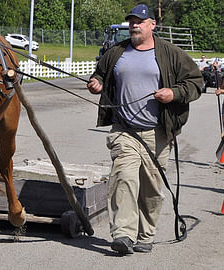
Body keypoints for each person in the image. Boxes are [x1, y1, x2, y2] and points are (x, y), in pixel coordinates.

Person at [87, 4, 202, 254]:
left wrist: (174, 93)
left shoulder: (170, 53)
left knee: (151, 190)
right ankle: (123, 235)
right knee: (124, 178)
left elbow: (196, 82)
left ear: (152, 25)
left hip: (157, 132)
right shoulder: (116, 52)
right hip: (124, 129)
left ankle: (145, 234)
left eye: (139, 21)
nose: (134, 25)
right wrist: (96, 83)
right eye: (131, 21)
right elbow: (100, 75)